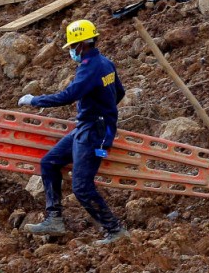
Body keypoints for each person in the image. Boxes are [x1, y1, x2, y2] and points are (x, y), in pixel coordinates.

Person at [17, 19, 128, 245]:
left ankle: (115, 230)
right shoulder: (106, 63)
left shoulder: (89, 68)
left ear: (80, 45)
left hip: (94, 133)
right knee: (49, 163)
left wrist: (34, 100)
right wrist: (103, 110)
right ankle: (54, 218)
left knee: (81, 186)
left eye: (71, 47)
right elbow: (120, 92)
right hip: (88, 126)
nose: (71, 52)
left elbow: (68, 95)